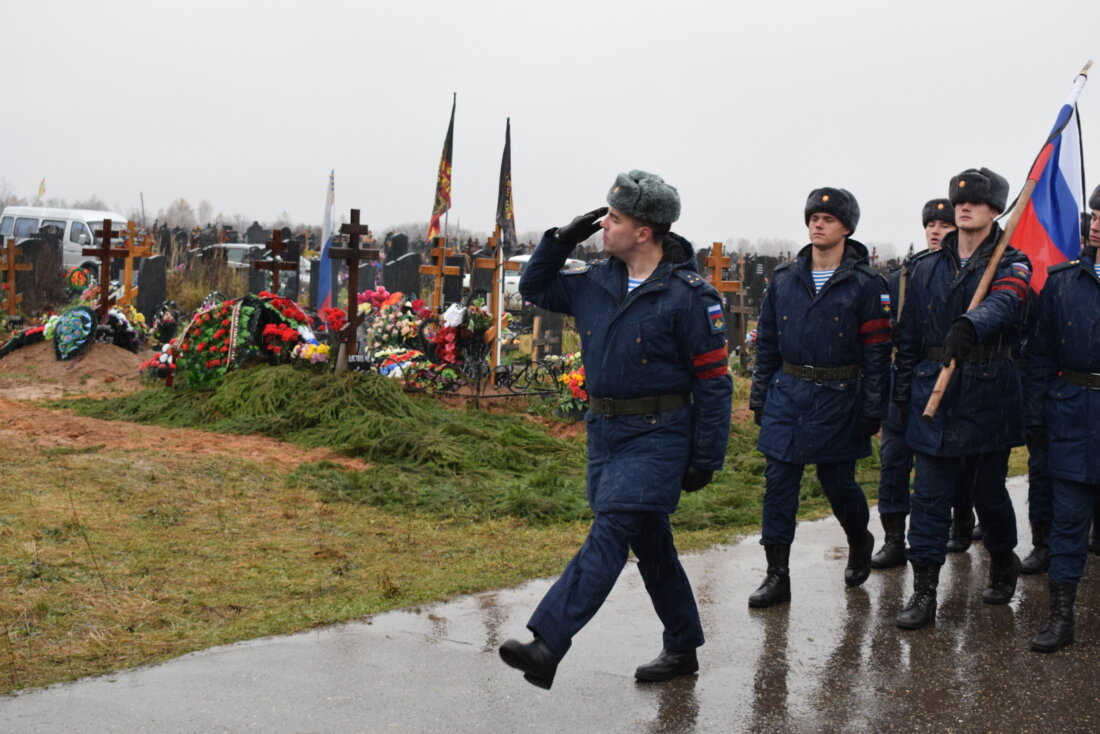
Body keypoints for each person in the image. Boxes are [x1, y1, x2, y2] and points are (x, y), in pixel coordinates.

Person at [498, 170, 732, 688]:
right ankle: (683, 646)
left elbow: (715, 383)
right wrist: (561, 240)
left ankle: (548, 643)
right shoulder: (596, 282)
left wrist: (705, 455)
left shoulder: (689, 296)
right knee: (650, 542)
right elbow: (534, 287)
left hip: (660, 433)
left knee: (609, 532)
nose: (605, 224)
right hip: (605, 432)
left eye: (616, 218)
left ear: (645, 232)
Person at [892, 167, 1030, 630]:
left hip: (988, 388)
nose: (964, 207)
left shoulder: (1012, 260)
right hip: (933, 392)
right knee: (929, 494)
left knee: (988, 492)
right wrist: (901, 392)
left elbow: (1009, 298)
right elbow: (908, 338)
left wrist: (973, 323)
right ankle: (924, 590)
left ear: (996, 211)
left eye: (977, 202)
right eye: (959, 201)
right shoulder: (924, 268)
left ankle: (1003, 557)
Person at [747, 188, 891, 607]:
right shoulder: (785, 279)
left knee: (838, 484)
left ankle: (859, 538)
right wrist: (759, 398)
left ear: (846, 227)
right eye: (813, 216)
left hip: (840, 396)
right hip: (788, 395)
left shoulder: (866, 284)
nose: (818, 223)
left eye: (828, 218)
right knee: (778, 485)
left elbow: (877, 352)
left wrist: (872, 409)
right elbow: (768, 343)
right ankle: (777, 574)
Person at [1026, 184, 1100, 652]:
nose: (1096, 222)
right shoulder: (1063, 281)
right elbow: (1039, 354)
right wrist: (1038, 414)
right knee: (1068, 520)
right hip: (1072, 411)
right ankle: (1062, 615)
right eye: (1095, 213)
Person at [872, 199, 955, 568]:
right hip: (902, 381)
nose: (936, 231)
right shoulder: (903, 276)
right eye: (931, 225)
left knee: (941, 470)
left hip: (942, 381)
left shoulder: (961, 275)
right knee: (892, 462)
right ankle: (893, 538)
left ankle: (957, 524)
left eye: (944, 225)